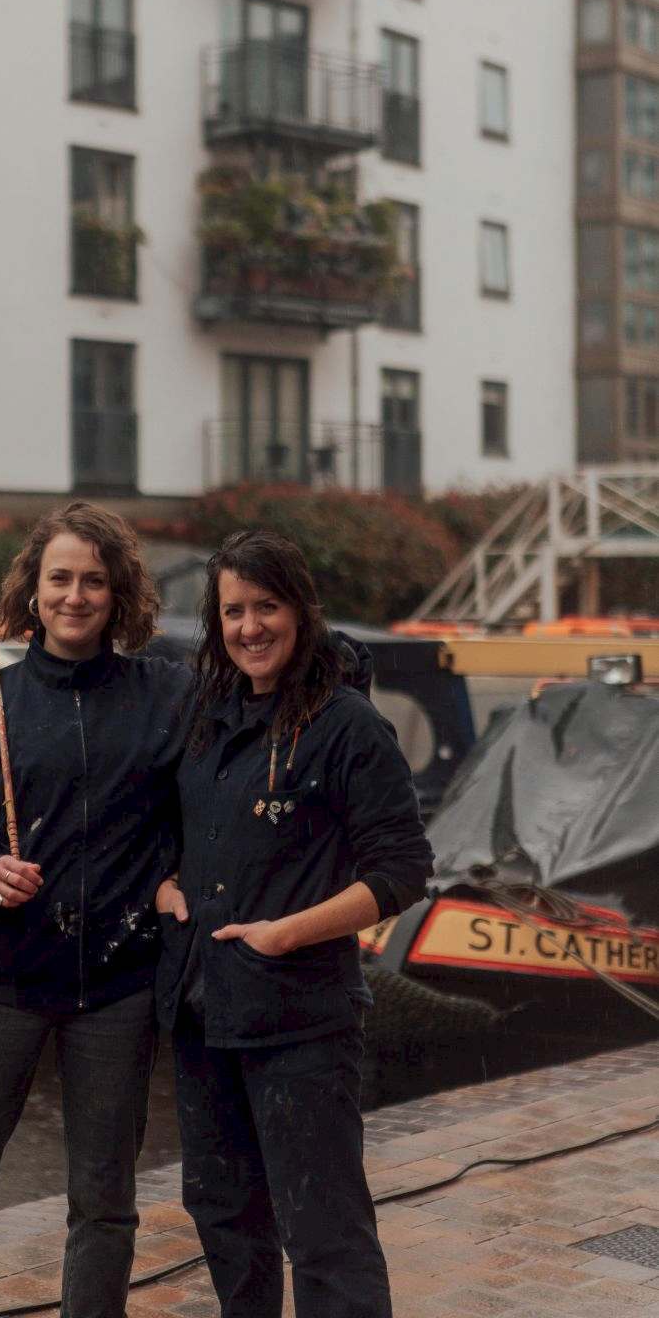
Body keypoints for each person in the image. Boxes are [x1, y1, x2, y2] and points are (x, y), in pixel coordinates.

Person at [0, 501, 193, 1318]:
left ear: (118, 594)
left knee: (104, 1201)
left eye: (94, 580)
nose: (75, 596)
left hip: (116, 989)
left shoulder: (168, 696)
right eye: (60, 578)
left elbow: (228, 776)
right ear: (32, 589)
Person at [155, 529, 433, 1318]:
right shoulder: (208, 717)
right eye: (234, 611)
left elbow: (403, 869)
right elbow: (172, 828)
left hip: (301, 1020)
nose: (250, 627)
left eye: (266, 606)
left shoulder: (348, 726)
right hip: (204, 1011)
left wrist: (286, 933)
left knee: (323, 1231)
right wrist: (161, 884)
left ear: (301, 610)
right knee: (224, 1217)